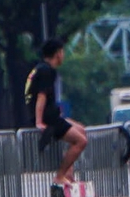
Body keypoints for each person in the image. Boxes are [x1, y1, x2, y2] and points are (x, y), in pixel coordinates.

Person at [24, 40, 89, 187]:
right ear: (58, 53)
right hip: (49, 118)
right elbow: (41, 96)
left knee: (80, 130)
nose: (63, 55)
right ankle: (60, 176)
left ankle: (69, 175)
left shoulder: (39, 68)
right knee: (81, 141)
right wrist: (39, 121)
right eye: (62, 52)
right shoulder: (47, 71)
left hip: (51, 115)